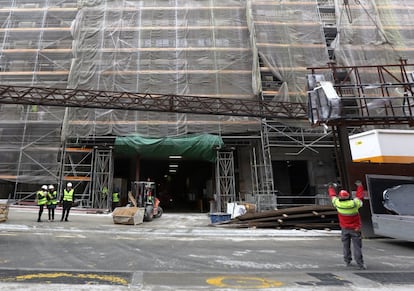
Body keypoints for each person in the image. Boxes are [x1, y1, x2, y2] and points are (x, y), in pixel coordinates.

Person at [328, 180, 366, 270]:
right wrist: (360, 186)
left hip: (344, 228)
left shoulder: (338, 203)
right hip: (355, 229)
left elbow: (332, 196)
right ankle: (360, 264)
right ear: (348, 197)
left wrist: (330, 188)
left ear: (340, 197)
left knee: (346, 245)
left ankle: (347, 260)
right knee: (357, 247)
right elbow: (359, 197)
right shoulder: (354, 204)